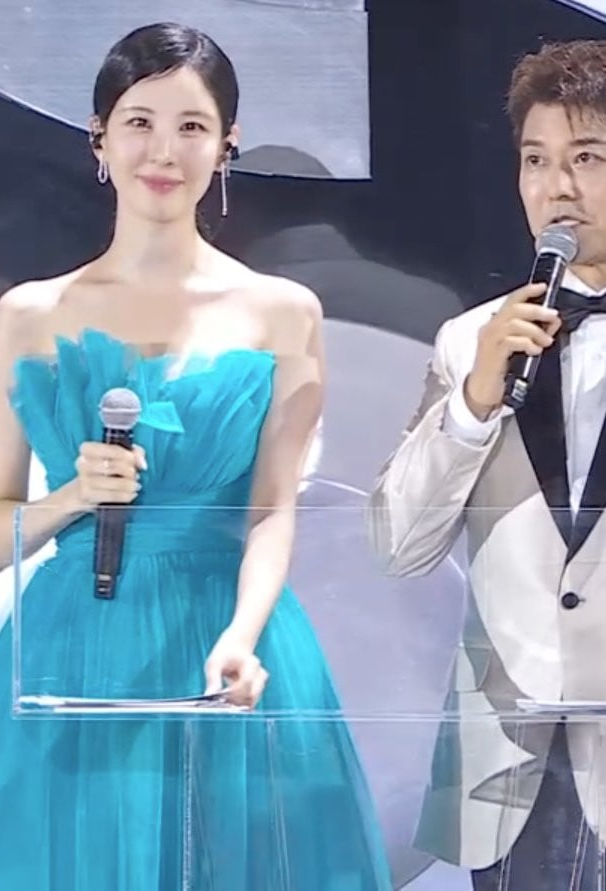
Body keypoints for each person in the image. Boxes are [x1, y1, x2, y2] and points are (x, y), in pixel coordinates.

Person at [0, 22, 391, 890]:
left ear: (226, 146)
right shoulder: (30, 314)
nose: (163, 150)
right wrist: (75, 493)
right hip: (74, 640)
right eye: (139, 123)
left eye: (191, 127)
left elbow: (271, 508)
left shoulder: (281, 311)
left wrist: (242, 633)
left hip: (221, 634)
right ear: (99, 139)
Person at [369, 39, 606, 891]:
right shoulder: (471, 340)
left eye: (586, 158)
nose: (556, 187)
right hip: (504, 763)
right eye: (535, 160)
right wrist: (471, 402)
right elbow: (397, 545)